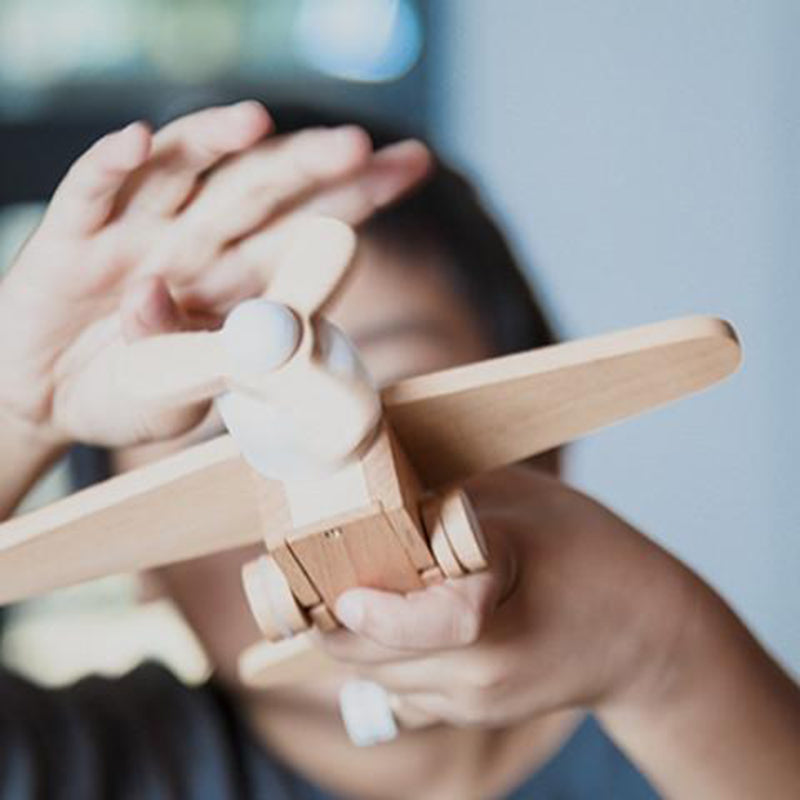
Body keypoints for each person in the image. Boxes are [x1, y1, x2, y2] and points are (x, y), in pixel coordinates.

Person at [0, 100, 798, 800]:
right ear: (146, 564)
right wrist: (17, 409)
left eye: (403, 391)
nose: (306, 428)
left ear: (548, 446)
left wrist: (663, 658)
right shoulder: (84, 762)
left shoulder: (697, 717)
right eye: (216, 433)